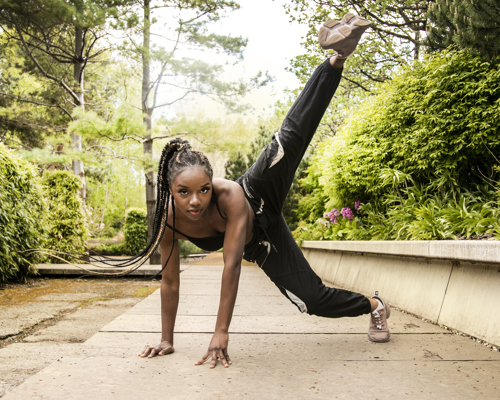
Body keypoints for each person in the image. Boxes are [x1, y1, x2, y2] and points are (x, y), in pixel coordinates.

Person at [138, 13, 391, 368]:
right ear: (170, 189)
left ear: (213, 184)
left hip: (256, 196)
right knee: (312, 301)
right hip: (262, 241)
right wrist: (167, 339)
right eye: (184, 192)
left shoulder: (230, 197)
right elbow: (169, 282)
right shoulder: (167, 220)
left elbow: (231, 265)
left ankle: (337, 59)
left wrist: (220, 332)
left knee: (287, 141)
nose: (196, 201)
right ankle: (375, 305)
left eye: (203, 189)